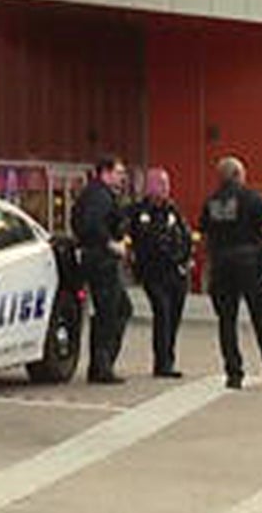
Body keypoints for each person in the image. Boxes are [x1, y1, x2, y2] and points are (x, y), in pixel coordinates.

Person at [198, 155, 262, 390]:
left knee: (227, 321)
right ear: (238, 175)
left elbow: (205, 239)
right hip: (250, 264)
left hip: (222, 266)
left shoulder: (211, 202)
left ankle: (233, 374)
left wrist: (206, 270)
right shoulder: (253, 198)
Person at [128, 167, 194, 379]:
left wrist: (184, 258)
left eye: (166, 184)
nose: (165, 188)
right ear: (149, 187)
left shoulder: (173, 210)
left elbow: (185, 234)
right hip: (153, 273)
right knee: (163, 314)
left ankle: (168, 358)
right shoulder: (140, 212)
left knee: (174, 316)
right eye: (160, 184)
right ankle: (162, 363)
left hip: (177, 272)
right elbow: (145, 240)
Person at [71, 156, 132, 384]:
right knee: (112, 311)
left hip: (98, 258)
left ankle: (101, 363)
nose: (122, 177)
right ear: (105, 172)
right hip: (101, 261)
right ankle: (101, 366)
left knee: (116, 310)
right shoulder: (99, 195)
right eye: (118, 172)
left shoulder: (97, 194)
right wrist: (110, 244)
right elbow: (91, 224)